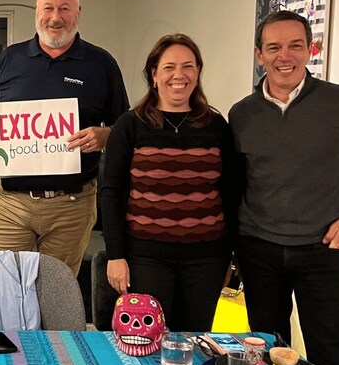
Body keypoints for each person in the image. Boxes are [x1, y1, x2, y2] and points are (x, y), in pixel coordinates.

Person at [229, 10, 339, 365]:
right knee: (268, 354)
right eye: (274, 47)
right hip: (258, 251)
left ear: (311, 49)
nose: (285, 56)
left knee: (330, 354)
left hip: (322, 251)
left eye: (295, 46)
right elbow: (236, 183)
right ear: (259, 55)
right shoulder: (242, 114)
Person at [0, 0, 129, 275]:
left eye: (64, 9)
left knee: (55, 289)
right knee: (2, 285)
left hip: (71, 205)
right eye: (48, 8)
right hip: (12, 205)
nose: (55, 18)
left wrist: (107, 135)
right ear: (37, 11)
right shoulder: (10, 59)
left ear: (78, 12)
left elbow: (125, 128)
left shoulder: (102, 63)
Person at [99, 34, 239, 331]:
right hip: (145, 259)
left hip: (207, 260)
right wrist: (115, 255)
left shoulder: (217, 126)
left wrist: (231, 255)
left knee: (195, 341)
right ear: (154, 74)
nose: (179, 75)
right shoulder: (130, 125)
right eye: (169, 67)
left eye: (188, 66)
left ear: (198, 73)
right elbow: (111, 193)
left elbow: (231, 193)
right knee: (149, 339)